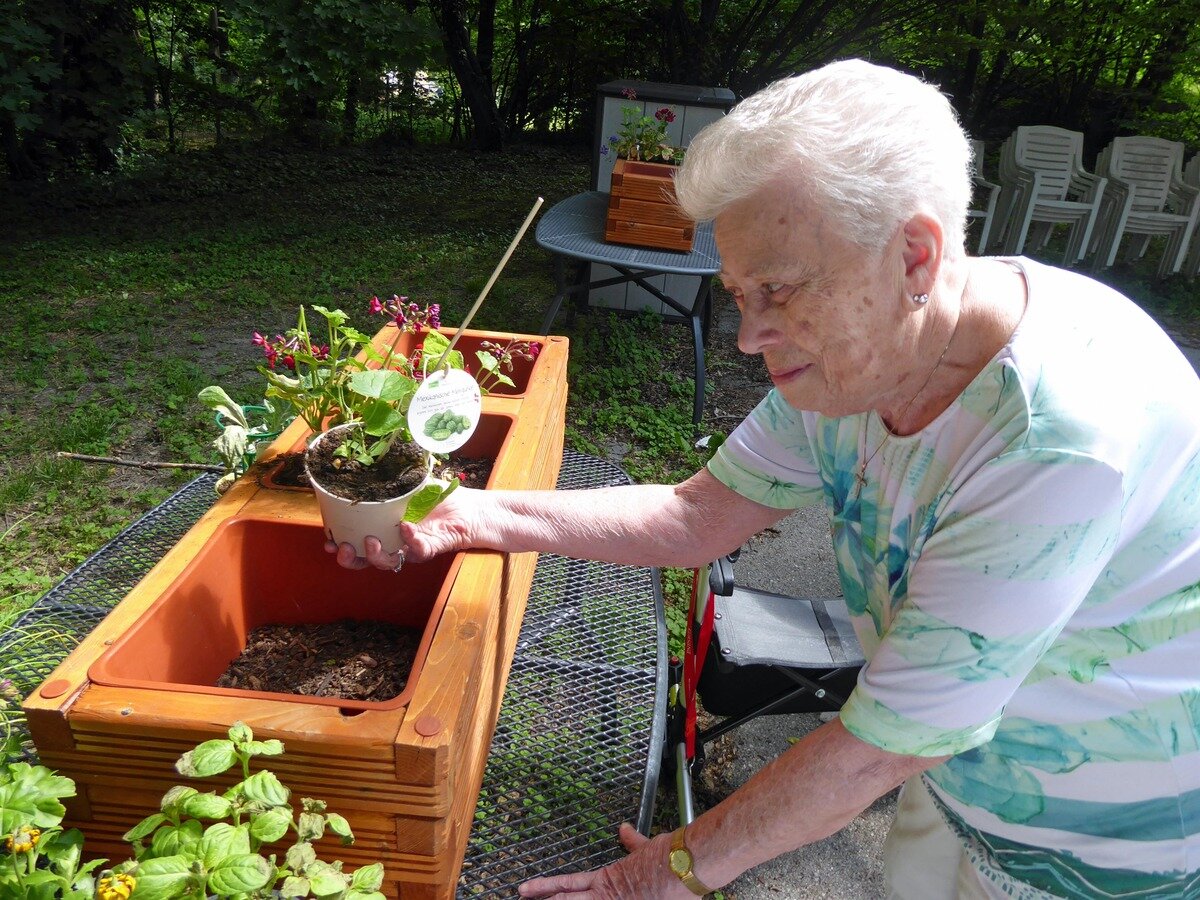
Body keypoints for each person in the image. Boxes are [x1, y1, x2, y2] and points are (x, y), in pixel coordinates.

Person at [330, 59, 1200, 899]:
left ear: (916, 257)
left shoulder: (1056, 443)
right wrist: (475, 513)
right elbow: (694, 517)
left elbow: (879, 748)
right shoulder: (863, 357)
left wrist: (665, 872)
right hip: (964, 777)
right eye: (739, 293)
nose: (749, 336)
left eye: (778, 290)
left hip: (1103, 844)